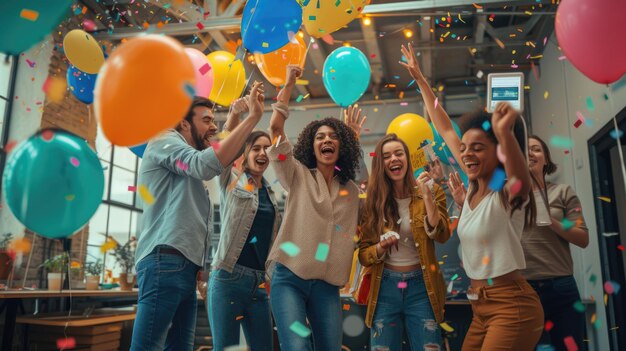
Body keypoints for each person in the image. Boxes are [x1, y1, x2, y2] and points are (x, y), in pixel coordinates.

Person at [400, 43, 543, 350]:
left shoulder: (505, 193)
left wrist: (504, 133)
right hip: (480, 307)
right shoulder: (472, 192)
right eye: (464, 149)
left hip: (511, 306)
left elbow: (521, 179)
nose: (466, 154)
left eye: (478, 148)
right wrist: (421, 80)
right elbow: (444, 128)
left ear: (498, 153)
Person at [130, 82, 266, 351]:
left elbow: (221, 157)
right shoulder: (164, 141)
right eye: (206, 120)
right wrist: (251, 118)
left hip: (183, 267)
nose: (213, 127)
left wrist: (238, 119)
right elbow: (205, 164)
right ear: (183, 122)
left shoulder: (188, 156)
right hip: (163, 262)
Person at [267, 65, 368, 350]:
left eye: (334, 137)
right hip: (289, 279)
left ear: (342, 146)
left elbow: (371, 190)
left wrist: (354, 142)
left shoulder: (350, 187)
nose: (326, 140)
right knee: (298, 346)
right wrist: (288, 84)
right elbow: (275, 129)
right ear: (311, 147)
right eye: (319, 137)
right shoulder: (297, 174)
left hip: (327, 286)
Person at [359, 134, 451, 351]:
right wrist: (381, 247)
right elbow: (363, 255)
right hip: (385, 287)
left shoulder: (432, 190)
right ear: (381, 164)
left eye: (398, 153)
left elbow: (443, 234)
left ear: (407, 159)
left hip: (422, 286)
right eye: (387, 156)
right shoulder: (371, 201)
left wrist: (427, 196)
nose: (394, 159)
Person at [207, 128, 282, 350]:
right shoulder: (231, 180)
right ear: (246, 152)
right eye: (256, 148)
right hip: (228, 278)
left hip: (259, 283)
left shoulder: (270, 193)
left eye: (267, 149)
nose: (262, 153)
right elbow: (221, 150)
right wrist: (238, 119)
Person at [522, 135, 589, 351]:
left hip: (562, 287)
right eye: (525, 150)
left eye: (536, 149)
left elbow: (583, 237)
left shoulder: (563, 191)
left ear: (546, 160)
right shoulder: (508, 197)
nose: (531, 153)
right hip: (524, 289)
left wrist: (553, 223)